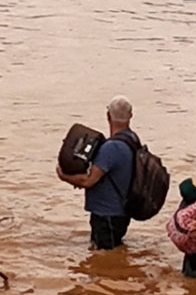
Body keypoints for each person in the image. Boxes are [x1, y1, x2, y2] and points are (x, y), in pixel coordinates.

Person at [56, 96, 138, 250]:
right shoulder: (132, 139)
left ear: (108, 116)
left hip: (107, 214)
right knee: (112, 256)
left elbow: (89, 180)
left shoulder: (111, 147)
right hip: (121, 212)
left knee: (104, 254)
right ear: (131, 116)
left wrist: (63, 175)